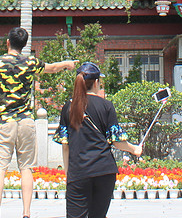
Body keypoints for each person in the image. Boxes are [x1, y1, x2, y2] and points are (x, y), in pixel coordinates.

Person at [0, 27, 77, 218]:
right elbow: (52, 68)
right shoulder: (31, 62)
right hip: (25, 121)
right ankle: (26, 212)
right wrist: (67, 64)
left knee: (0, 167)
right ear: (24, 45)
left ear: (8, 42)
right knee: (26, 168)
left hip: (4, 121)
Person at [53, 62, 142, 218]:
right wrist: (134, 149)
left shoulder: (69, 107)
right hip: (104, 171)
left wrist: (68, 174)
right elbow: (116, 141)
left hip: (78, 172)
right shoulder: (106, 106)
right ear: (96, 82)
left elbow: (65, 144)